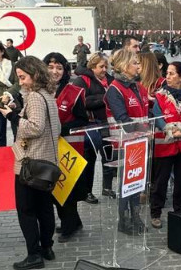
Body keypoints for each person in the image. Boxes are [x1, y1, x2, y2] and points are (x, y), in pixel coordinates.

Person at [11, 56, 61, 270]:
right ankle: (47, 247)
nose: (20, 82)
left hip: (30, 163)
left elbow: (35, 127)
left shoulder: (34, 97)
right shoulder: (48, 94)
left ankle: (33, 255)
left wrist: (12, 117)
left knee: (26, 209)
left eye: (23, 77)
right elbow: (54, 126)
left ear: (34, 74)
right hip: (47, 161)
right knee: (45, 207)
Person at [105, 49, 150, 234]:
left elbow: (146, 112)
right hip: (124, 143)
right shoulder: (114, 89)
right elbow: (123, 119)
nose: (138, 66)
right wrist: (146, 131)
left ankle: (136, 216)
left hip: (140, 142)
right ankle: (123, 221)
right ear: (124, 66)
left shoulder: (137, 86)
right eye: (134, 63)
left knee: (137, 182)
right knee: (127, 184)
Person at [47, 52, 89, 240]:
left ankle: (68, 225)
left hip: (69, 147)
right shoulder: (41, 90)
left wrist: (61, 128)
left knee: (66, 188)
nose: (54, 71)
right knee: (53, 187)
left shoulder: (74, 91)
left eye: (58, 67)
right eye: (50, 67)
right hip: (48, 147)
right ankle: (73, 221)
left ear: (65, 70)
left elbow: (83, 119)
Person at [149, 61, 181, 228]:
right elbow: (157, 117)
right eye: (166, 73)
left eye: (171, 74)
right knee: (160, 180)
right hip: (165, 145)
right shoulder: (160, 96)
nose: (167, 77)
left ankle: (179, 208)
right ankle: (155, 212)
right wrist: (168, 129)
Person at [73, 52, 109, 203]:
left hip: (108, 123)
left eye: (106, 66)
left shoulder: (110, 80)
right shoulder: (82, 80)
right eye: (101, 66)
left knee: (108, 157)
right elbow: (82, 102)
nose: (105, 69)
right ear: (93, 67)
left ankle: (107, 188)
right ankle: (87, 191)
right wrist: (104, 97)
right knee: (90, 159)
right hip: (90, 124)